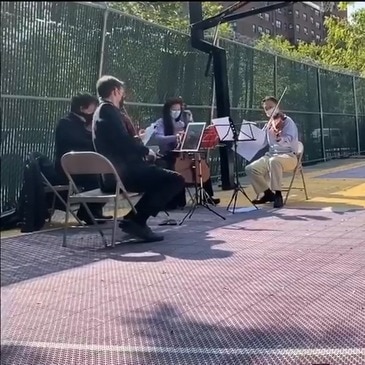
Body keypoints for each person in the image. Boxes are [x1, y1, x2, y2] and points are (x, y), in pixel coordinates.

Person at [92, 75, 185, 242]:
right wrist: (146, 151)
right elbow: (123, 142)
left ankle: (134, 219)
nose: (122, 97)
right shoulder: (108, 111)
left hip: (115, 174)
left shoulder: (101, 112)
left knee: (161, 172)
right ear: (115, 91)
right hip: (123, 174)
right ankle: (136, 220)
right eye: (121, 93)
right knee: (175, 180)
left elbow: (118, 141)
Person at [54, 92, 111, 224]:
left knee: (107, 177)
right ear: (82, 108)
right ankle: (87, 213)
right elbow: (79, 142)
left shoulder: (82, 123)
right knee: (99, 179)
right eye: (93, 107)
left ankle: (94, 211)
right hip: (68, 169)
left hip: (83, 167)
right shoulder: (66, 123)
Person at [153, 97, 220, 210]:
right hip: (169, 153)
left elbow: (193, 134)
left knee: (201, 164)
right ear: (168, 110)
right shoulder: (161, 122)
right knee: (173, 167)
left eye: (178, 109)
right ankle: (177, 200)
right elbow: (158, 138)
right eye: (173, 109)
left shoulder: (184, 120)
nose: (176, 112)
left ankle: (207, 196)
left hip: (186, 152)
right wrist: (175, 137)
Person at [245, 96, 299, 209]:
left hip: (289, 156)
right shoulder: (268, 124)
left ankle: (278, 194)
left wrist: (281, 139)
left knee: (274, 161)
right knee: (250, 168)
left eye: (271, 107)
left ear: (277, 106)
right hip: (271, 155)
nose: (268, 110)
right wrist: (249, 138)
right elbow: (262, 143)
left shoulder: (287, 121)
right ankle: (268, 194)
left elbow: (290, 139)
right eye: (266, 108)